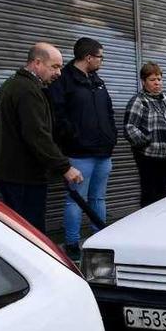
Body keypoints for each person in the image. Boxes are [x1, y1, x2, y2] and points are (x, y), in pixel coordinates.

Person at [0, 43, 83, 232]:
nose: (59, 73)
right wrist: (64, 167)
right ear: (37, 63)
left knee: (20, 228)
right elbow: (37, 135)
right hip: (24, 176)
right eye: (55, 67)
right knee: (30, 232)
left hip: (15, 174)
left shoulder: (15, 84)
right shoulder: (27, 90)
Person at [48, 37, 117, 255]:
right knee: (76, 200)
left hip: (103, 152)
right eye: (100, 57)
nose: (102, 61)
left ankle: (99, 240)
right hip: (78, 154)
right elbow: (57, 115)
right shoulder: (64, 80)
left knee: (98, 198)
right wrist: (73, 137)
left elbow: (108, 111)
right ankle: (72, 245)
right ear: (88, 57)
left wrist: (111, 136)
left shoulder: (97, 81)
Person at [124, 62, 166, 207]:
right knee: (149, 195)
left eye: (159, 79)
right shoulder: (139, 101)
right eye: (152, 80)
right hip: (148, 158)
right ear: (143, 82)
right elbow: (129, 128)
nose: (157, 83)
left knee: (163, 195)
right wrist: (146, 142)